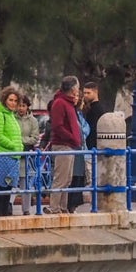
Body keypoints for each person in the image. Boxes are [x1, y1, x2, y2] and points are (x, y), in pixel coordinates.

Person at [46, 76, 82, 214]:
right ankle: (54, 207)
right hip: (63, 144)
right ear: (73, 89)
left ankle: (62, 206)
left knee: (67, 179)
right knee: (60, 178)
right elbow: (58, 126)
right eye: (77, 88)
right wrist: (72, 137)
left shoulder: (68, 103)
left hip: (70, 145)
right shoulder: (60, 103)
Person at [0, 87, 23, 217]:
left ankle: (4, 215)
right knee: (0, 188)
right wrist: (12, 145)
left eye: (15, 100)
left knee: (8, 189)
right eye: (10, 100)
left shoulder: (11, 115)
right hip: (3, 156)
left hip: (13, 157)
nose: (13, 103)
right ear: (4, 100)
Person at [74, 81, 108, 209]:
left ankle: (94, 204)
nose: (86, 95)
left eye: (89, 93)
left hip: (93, 148)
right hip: (89, 148)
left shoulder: (97, 109)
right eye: (85, 93)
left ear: (96, 92)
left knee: (92, 178)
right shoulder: (88, 108)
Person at [15, 94, 40, 215]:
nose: (21, 108)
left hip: (26, 155)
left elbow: (34, 138)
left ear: (27, 107)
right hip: (13, 154)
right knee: (11, 183)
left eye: (23, 106)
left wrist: (19, 140)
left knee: (26, 183)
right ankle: (8, 207)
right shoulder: (11, 118)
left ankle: (26, 210)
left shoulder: (33, 121)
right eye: (19, 105)